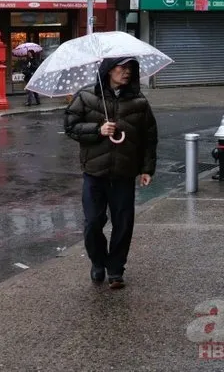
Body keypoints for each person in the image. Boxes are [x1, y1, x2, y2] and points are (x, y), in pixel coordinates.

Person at [64, 57, 158, 290]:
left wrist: (146, 169)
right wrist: (98, 130)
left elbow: (149, 137)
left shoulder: (139, 101)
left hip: (124, 173)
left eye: (130, 69)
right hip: (95, 173)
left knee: (123, 223)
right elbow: (70, 127)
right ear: (108, 70)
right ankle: (98, 261)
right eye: (121, 67)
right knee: (93, 223)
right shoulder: (86, 96)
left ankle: (116, 269)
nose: (126, 73)